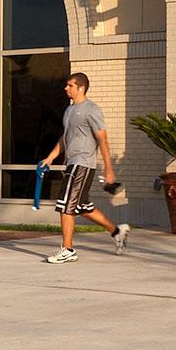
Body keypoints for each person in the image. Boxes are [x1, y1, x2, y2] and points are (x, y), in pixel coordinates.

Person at [39, 71, 128, 263]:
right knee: (81, 207)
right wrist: (51, 157)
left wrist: (109, 168)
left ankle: (68, 250)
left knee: (65, 206)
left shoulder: (91, 109)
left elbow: (102, 138)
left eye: (70, 85)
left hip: (83, 163)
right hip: (71, 163)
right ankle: (117, 231)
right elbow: (65, 137)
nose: (65, 88)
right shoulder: (69, 110)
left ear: (81, 88)